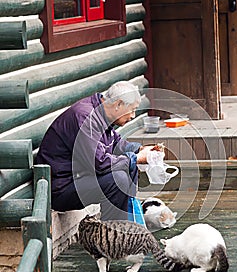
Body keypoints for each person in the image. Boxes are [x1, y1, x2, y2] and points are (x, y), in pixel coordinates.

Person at [36, 81, 153, 220]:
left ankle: (122, 229)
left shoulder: (101, 112)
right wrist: (137, 158)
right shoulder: (86, 117)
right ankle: (115, 234)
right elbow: (99, 163)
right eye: (132, 110)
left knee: (123, 172)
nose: (133, 115)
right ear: (118, 104)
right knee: (118, 179)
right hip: (61, 188)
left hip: (79, 179)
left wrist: (139, 149)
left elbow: (116, 143)